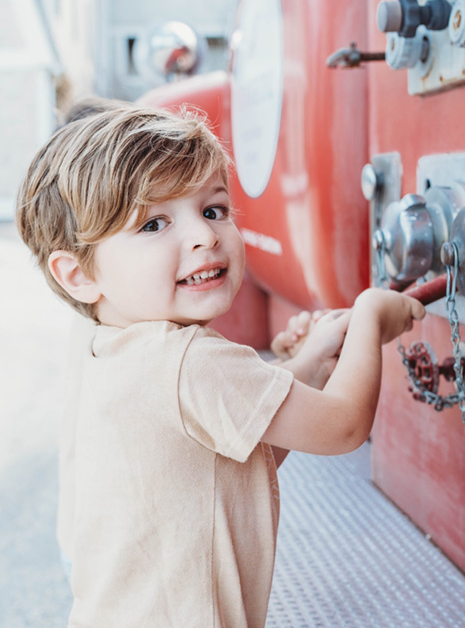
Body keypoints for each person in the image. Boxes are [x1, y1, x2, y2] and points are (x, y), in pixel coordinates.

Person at [16, 104, 425, 628]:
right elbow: (342, 425)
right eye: (154, 223)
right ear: (77, 275)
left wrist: (312, 361)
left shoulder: (115, 351)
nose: (205, 236)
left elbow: (230, 450)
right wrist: (370, 315)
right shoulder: (189, 362)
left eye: (213, 210)